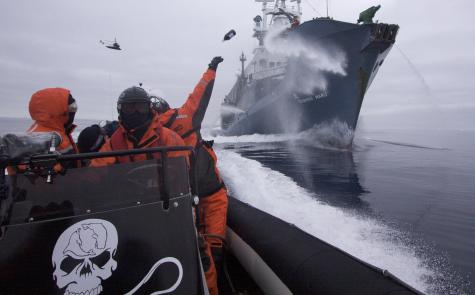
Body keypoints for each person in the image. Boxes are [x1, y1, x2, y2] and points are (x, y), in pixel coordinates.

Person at [153, 57, 228, 295]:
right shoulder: (184, 117)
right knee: (212, 250)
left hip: (178, 199)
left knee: (191, 251)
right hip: (208, 193)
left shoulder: (145, 134)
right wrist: (211, 69)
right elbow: (200, 94)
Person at [90, 86, 188, 167]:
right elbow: (96, 171)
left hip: (163, 190)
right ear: (121, 111)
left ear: (149, 109)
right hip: (126, 189)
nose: (136, 113)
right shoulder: (115, 143)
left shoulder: (168, 138)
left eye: (141, 108)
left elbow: (180, 172)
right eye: (129, 108)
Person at [8, 88, 80, 174]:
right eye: (71, 108)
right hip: (54, 186)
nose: (73, 111)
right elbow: (24, 173)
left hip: (71, 183)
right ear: (57, 111)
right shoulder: (34, 139)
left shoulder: (61, 131)